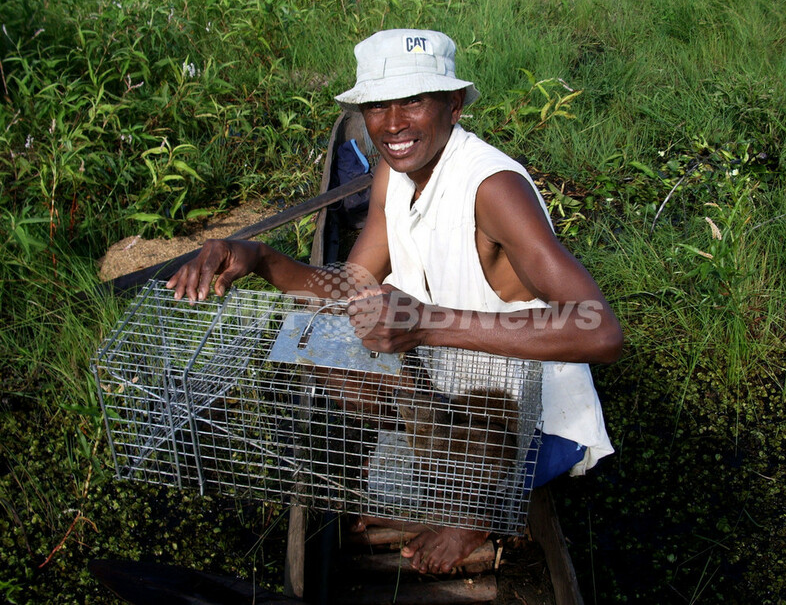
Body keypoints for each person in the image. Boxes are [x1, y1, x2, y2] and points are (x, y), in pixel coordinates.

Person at [167, 29, 623, 574]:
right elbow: (351, 285)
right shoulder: (393, 171)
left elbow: (600, 331)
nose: (392, 124)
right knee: (330, 358)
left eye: (413, 101)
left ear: (454, 106)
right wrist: (259, 256)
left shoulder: (493, 189)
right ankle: (442, 480)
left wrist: (425, 324)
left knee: (472, 431)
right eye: (377, 106)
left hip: (530, 415)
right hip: (453, 381)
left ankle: (471, 514)